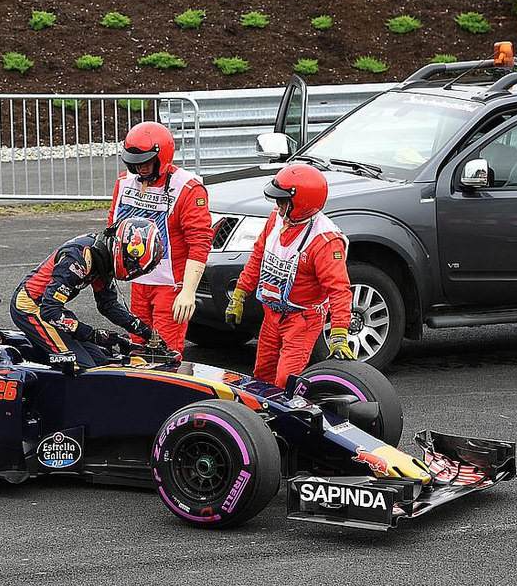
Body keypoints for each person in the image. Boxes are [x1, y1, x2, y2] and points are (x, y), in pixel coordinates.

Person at [224, 164, 354, 388]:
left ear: (302, 203)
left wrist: (339, 333)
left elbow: (339, 290)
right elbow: (257, 258)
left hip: (302, 320)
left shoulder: (325, 240)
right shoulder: (276, 220)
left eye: (283, 201)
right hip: (272, 314)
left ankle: (290, 419)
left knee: (286, 380)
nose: (278, 205)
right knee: (262, 376)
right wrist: (239, 295)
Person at [108, 121, 213, 362]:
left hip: (170, 286)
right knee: (136, 350)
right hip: (139, 283)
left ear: (162, 156)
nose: (141, 168)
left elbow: (200, 241)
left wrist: (188, 291)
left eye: (146, 161)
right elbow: (112, 229)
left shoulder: (187, 188)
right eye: (136, 162)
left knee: (165, 353)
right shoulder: (124, 183)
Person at [11, 217, 162, 369]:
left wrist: (143, 331)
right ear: (122, 250)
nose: (133, 271)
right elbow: (50, 311)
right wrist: (91, 334)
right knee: (80, 367)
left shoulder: (104, 257)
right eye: (132, 265)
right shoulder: (78, 257)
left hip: (50, 308)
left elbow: (108, 305)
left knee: (101, 361)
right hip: (30, 307)